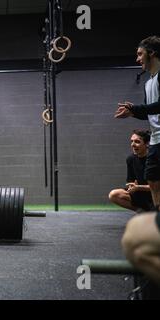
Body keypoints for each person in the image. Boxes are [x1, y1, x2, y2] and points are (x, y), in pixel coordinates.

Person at [114, 35, 160, 285]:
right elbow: (152, 115)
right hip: (155, 138)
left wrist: (137, 110)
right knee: (153, 178)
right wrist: (135, 112)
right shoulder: (149, 82)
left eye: (140, 54)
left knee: (155, 178)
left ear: (152, 53)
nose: (137, 58)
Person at [108, 129, 153, 212]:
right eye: (131, 141)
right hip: (140, 194)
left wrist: (139, 187)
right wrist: (132, 187)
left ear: (147, 144)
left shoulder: (154, 159)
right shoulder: (131, 159)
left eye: (137, 142)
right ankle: (141, 211)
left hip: (155, 195)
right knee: (114, 194)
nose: (133, 145)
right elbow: (130, 181)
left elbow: (157, 187)